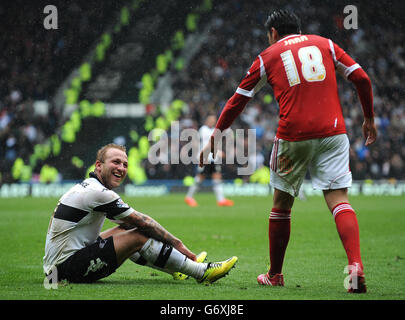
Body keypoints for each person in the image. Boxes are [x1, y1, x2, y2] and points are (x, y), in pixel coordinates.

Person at [199, 9, 377, 293]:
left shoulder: (268, 57)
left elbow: (236, 101)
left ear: (273, 33)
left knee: (282, 206)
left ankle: (275, 274)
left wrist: (213, 139)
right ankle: (355, 265)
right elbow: (363, 79)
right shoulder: (326, 44)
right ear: (299, 29)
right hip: (334, 132)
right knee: (338, 199)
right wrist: (368, 117)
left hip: (293, 135)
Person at [43, 143, 237, 285]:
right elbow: (144, 222)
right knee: (138, 234)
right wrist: (177, 244)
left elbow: (130, 223)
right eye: (116, 162)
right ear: (98, 165)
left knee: (128, 230)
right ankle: (201, 272)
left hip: (58, 268)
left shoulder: (90, 187)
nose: (121, 168)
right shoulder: (98, 193)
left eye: (125, 164)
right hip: (63, 272)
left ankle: (176, 267)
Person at [185, 114, 234, 207]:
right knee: (199, 178)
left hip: (213, 159)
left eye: (214, 120)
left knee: (217, 178)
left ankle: (221, 200)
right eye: (211, 120)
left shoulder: (214, 130)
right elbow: (208, 144)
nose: (212, 121)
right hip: (206, 158)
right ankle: (189, 197)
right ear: (207, 121)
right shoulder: (204, 130)